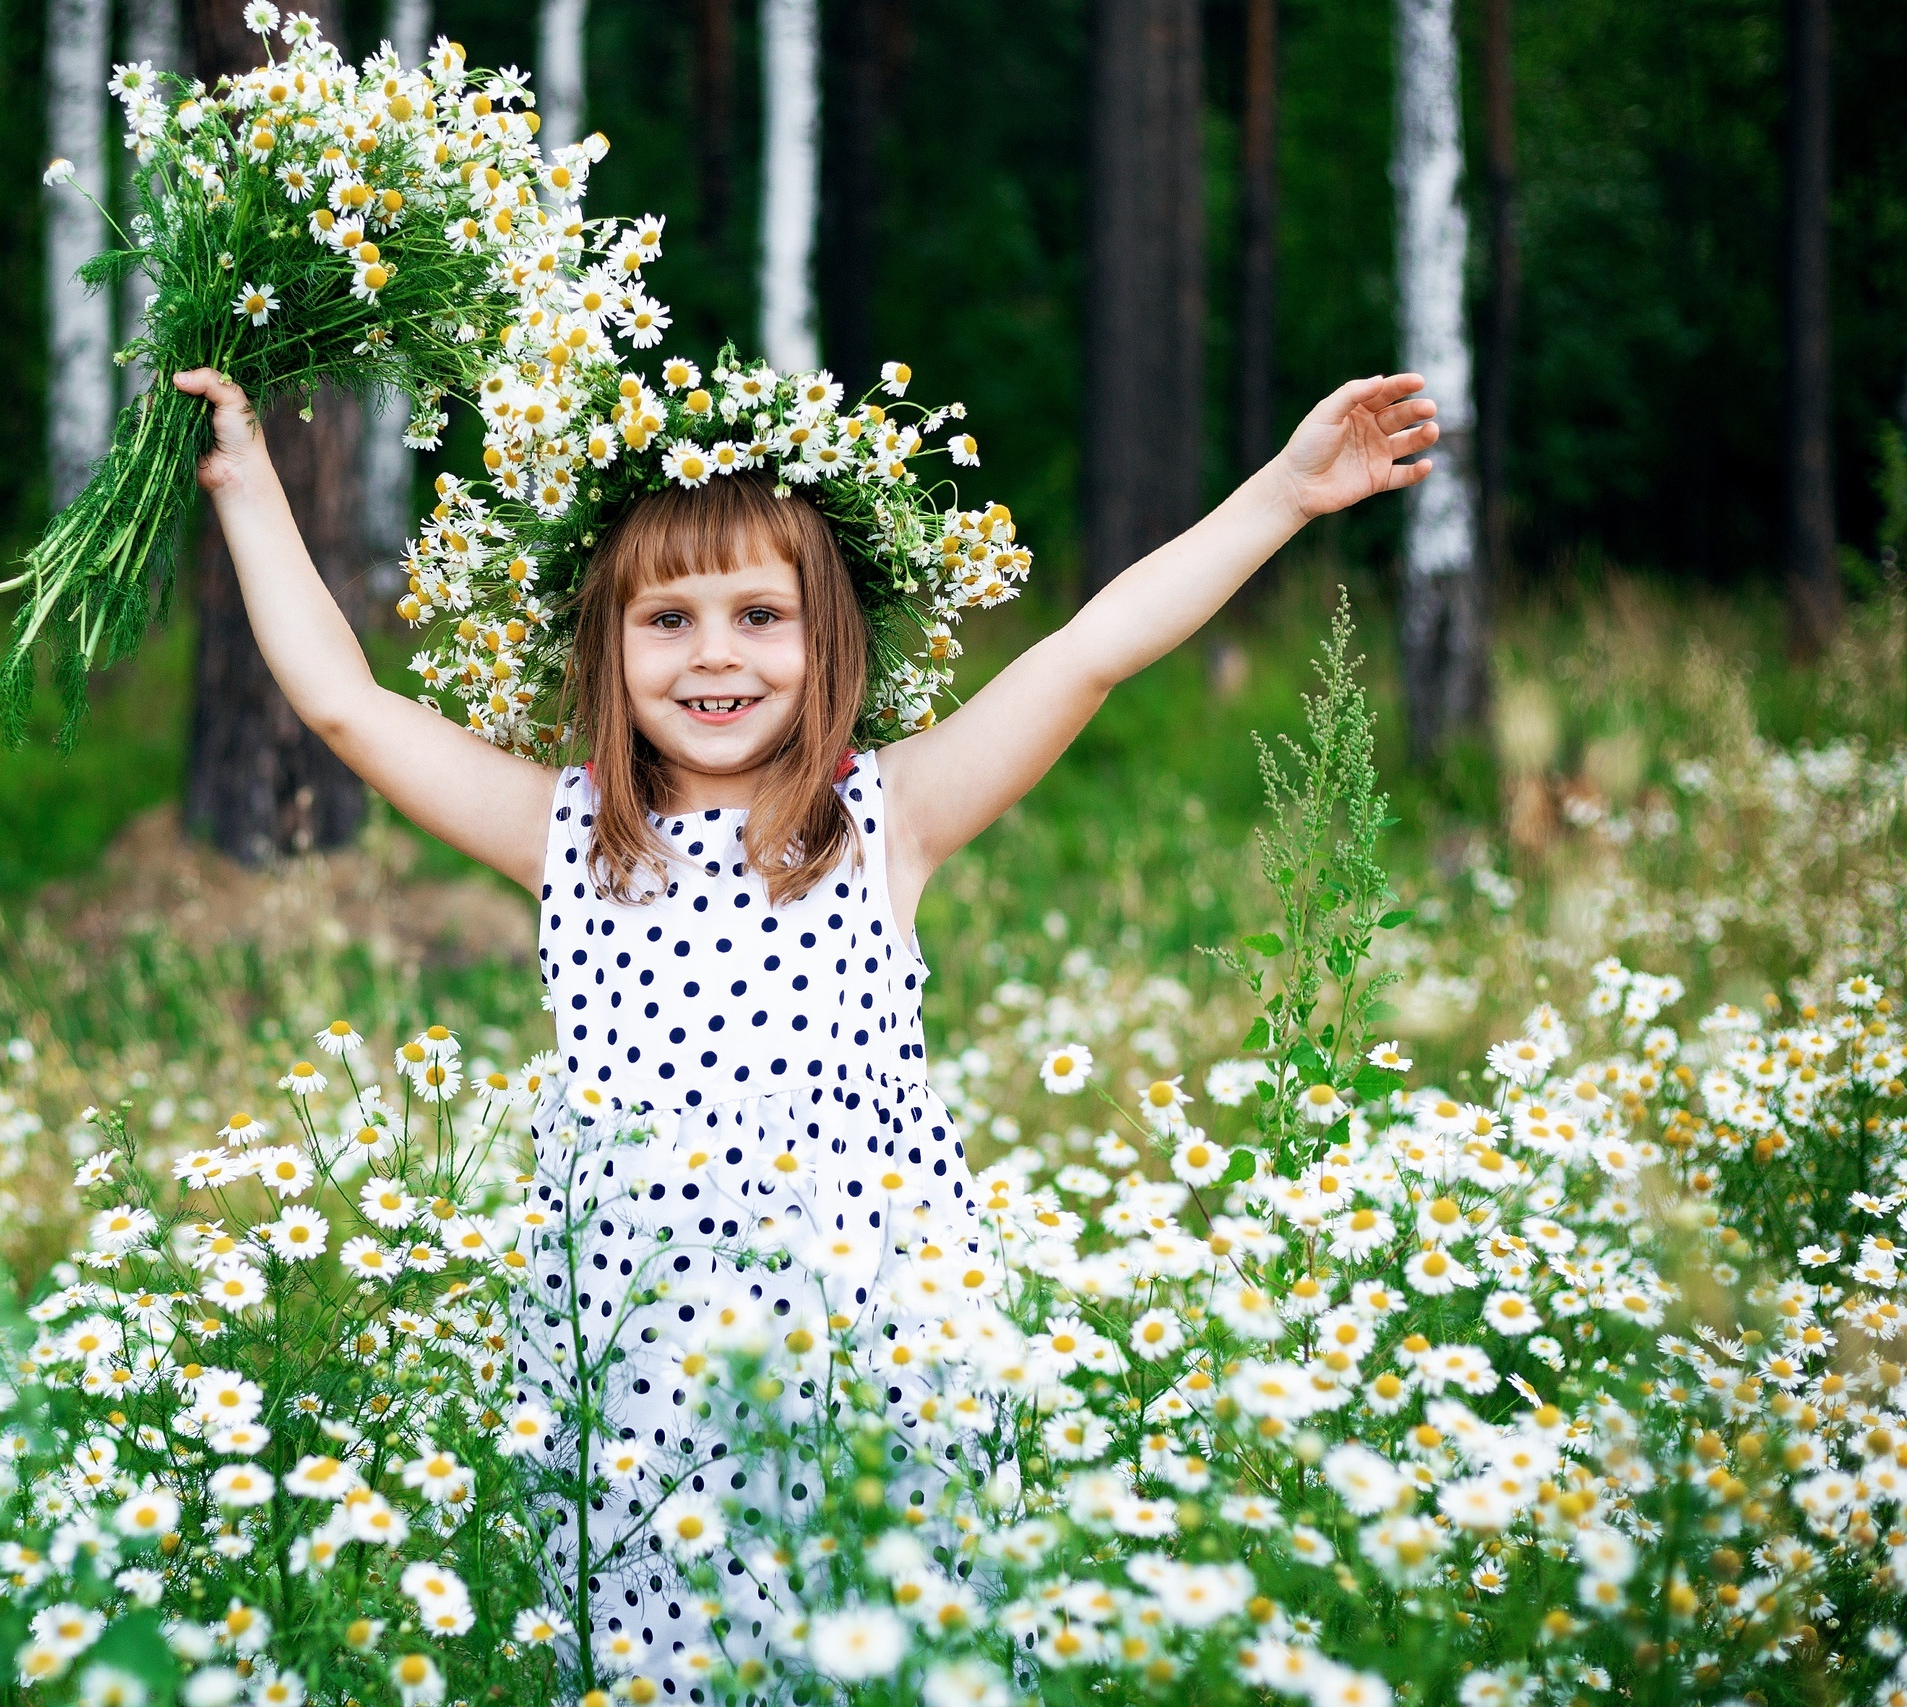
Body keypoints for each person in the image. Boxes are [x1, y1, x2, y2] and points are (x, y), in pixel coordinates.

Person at [171, 361, 1438, 1694]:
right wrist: (250, 483)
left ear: (829, 645)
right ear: (606, 653)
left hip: (876, 1362)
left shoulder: (893, 818)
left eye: (760, 614)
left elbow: (1092, 651)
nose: (714, 652)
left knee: (881, 1661)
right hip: (636, 1372)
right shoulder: (559, 836)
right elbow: (344, 705)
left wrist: (1287, 496)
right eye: (668, 619)